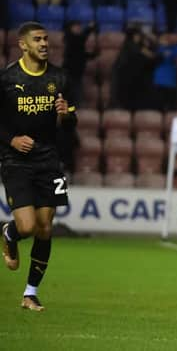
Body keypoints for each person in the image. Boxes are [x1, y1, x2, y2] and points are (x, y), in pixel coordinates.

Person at [0, 21, 77, 311]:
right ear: (23, 45)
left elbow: (71, 125)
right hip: (15, 160)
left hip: (48, 160)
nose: (44, 43)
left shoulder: (60, 78)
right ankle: (10, 233)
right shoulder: (7, 78)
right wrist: (11, 139)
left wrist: (65, 115)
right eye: (37, 39)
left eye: (46, 39)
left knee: (45, 228)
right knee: (28, 226)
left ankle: (30, 293)